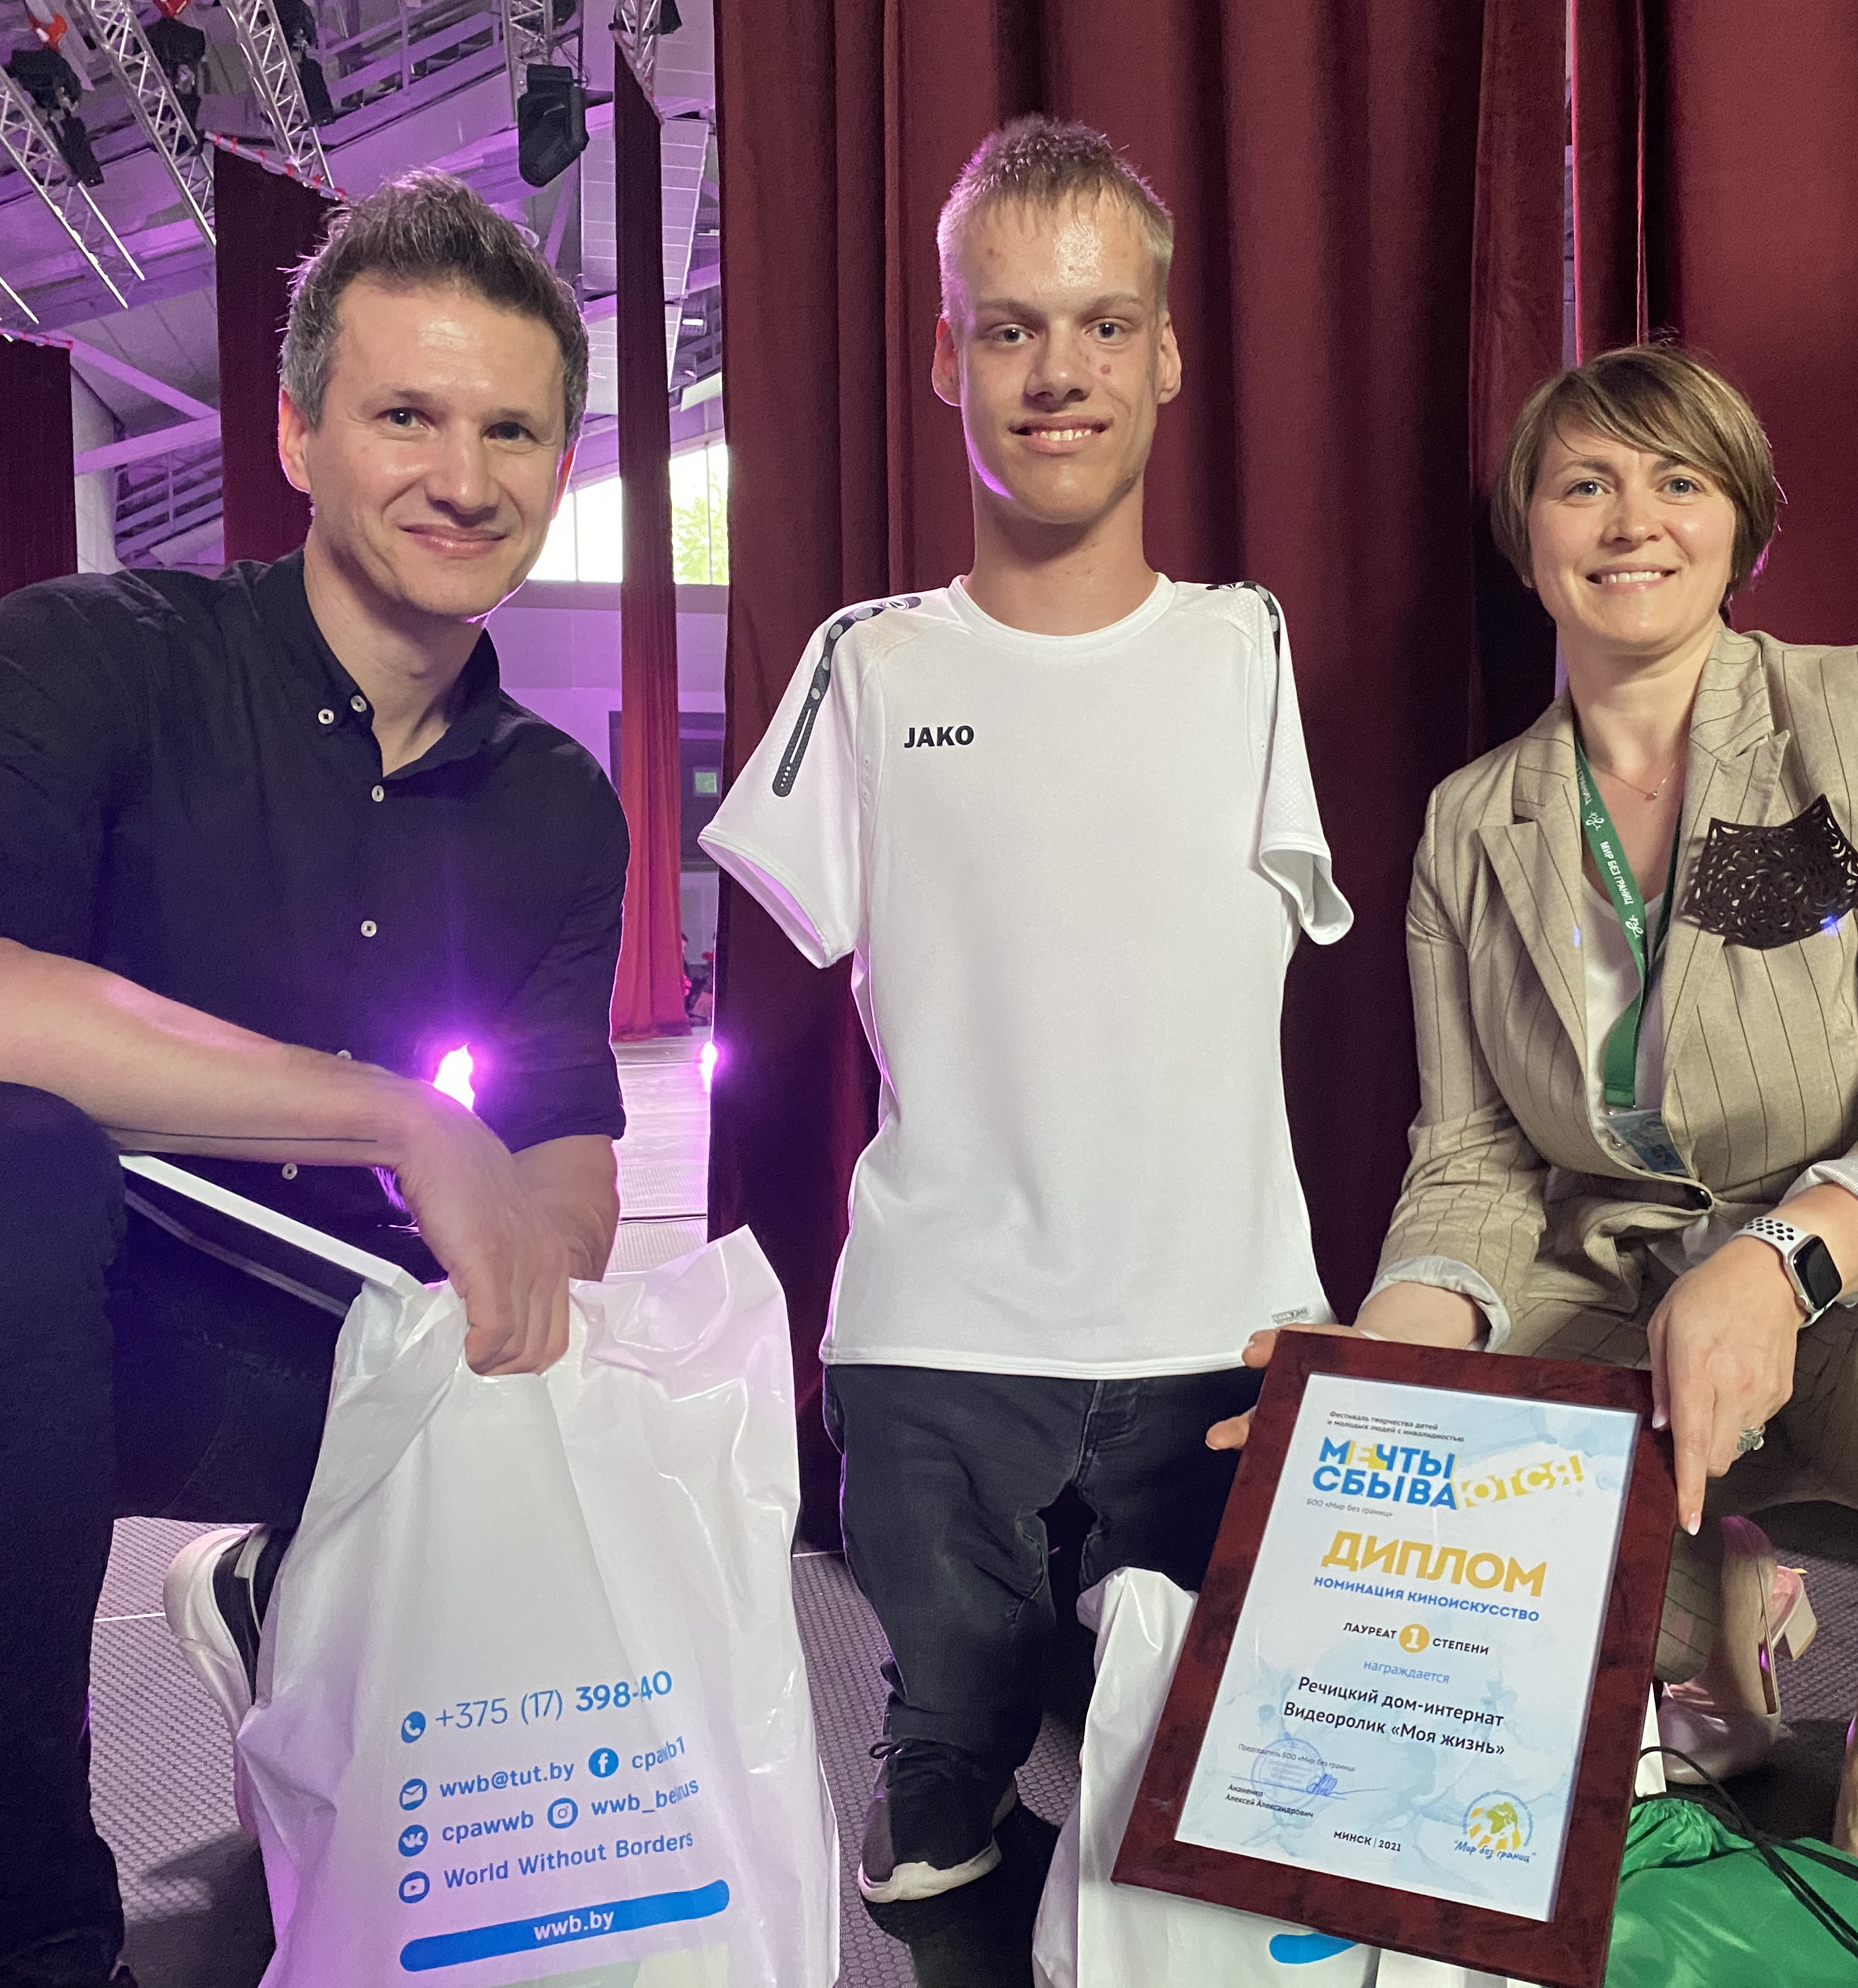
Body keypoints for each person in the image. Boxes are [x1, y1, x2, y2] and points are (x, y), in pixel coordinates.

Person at [1214, 344, 1858, 1908]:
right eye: (1584, 484)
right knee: (1371, 1495)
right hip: (1610, 1302)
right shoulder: (1472, 823)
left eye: (1679, 481)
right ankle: (1719, 1611)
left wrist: (1779, 1261)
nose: (1632, 520)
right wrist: (1380, 1378)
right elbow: (1473, 1165)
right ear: (1530, 537)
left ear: (1744, 527)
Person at [0, 172, 624, 1988]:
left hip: (375, 1359)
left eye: (510, 431)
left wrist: (532, 1289)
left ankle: (300, 1586)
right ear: (297, 433)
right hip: (77, 1327)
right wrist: (394, 1109)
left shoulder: (563, 805)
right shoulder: (95, 649)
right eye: (405, 416)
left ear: (561, 463)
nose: (463, 476)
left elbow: (568, 1161)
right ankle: (35, 1946)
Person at [702, 116, 1348, 1972]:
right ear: (947, 358)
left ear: (1165, 356)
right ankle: (951, 1768)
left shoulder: (1245, 651)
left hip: (1216, 1325)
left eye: (1102, 323)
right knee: (946, 1798)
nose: (1058, 370)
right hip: (942, 1333)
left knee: (1228, 1827)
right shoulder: (869, 664)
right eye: (1009, 327)